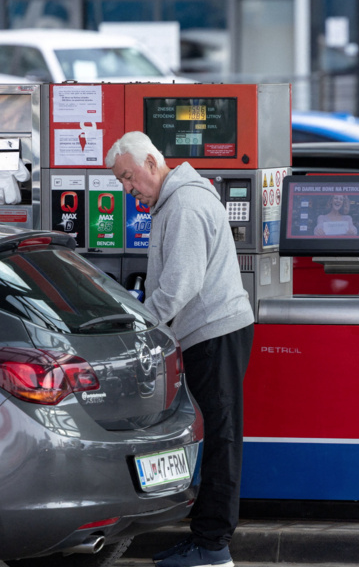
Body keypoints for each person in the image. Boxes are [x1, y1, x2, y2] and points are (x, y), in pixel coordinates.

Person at [106, 131, 255, 567]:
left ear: (152, 163)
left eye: (129, 177)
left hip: (214, 332)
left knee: (223, 436)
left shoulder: (185, 205)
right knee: (215, 433)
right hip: (208, 332)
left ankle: (213, 546)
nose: (127, 188)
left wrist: (140, 325)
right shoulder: (175, 200)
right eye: (121, 181)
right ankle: (206, 540)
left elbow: (179, 285)